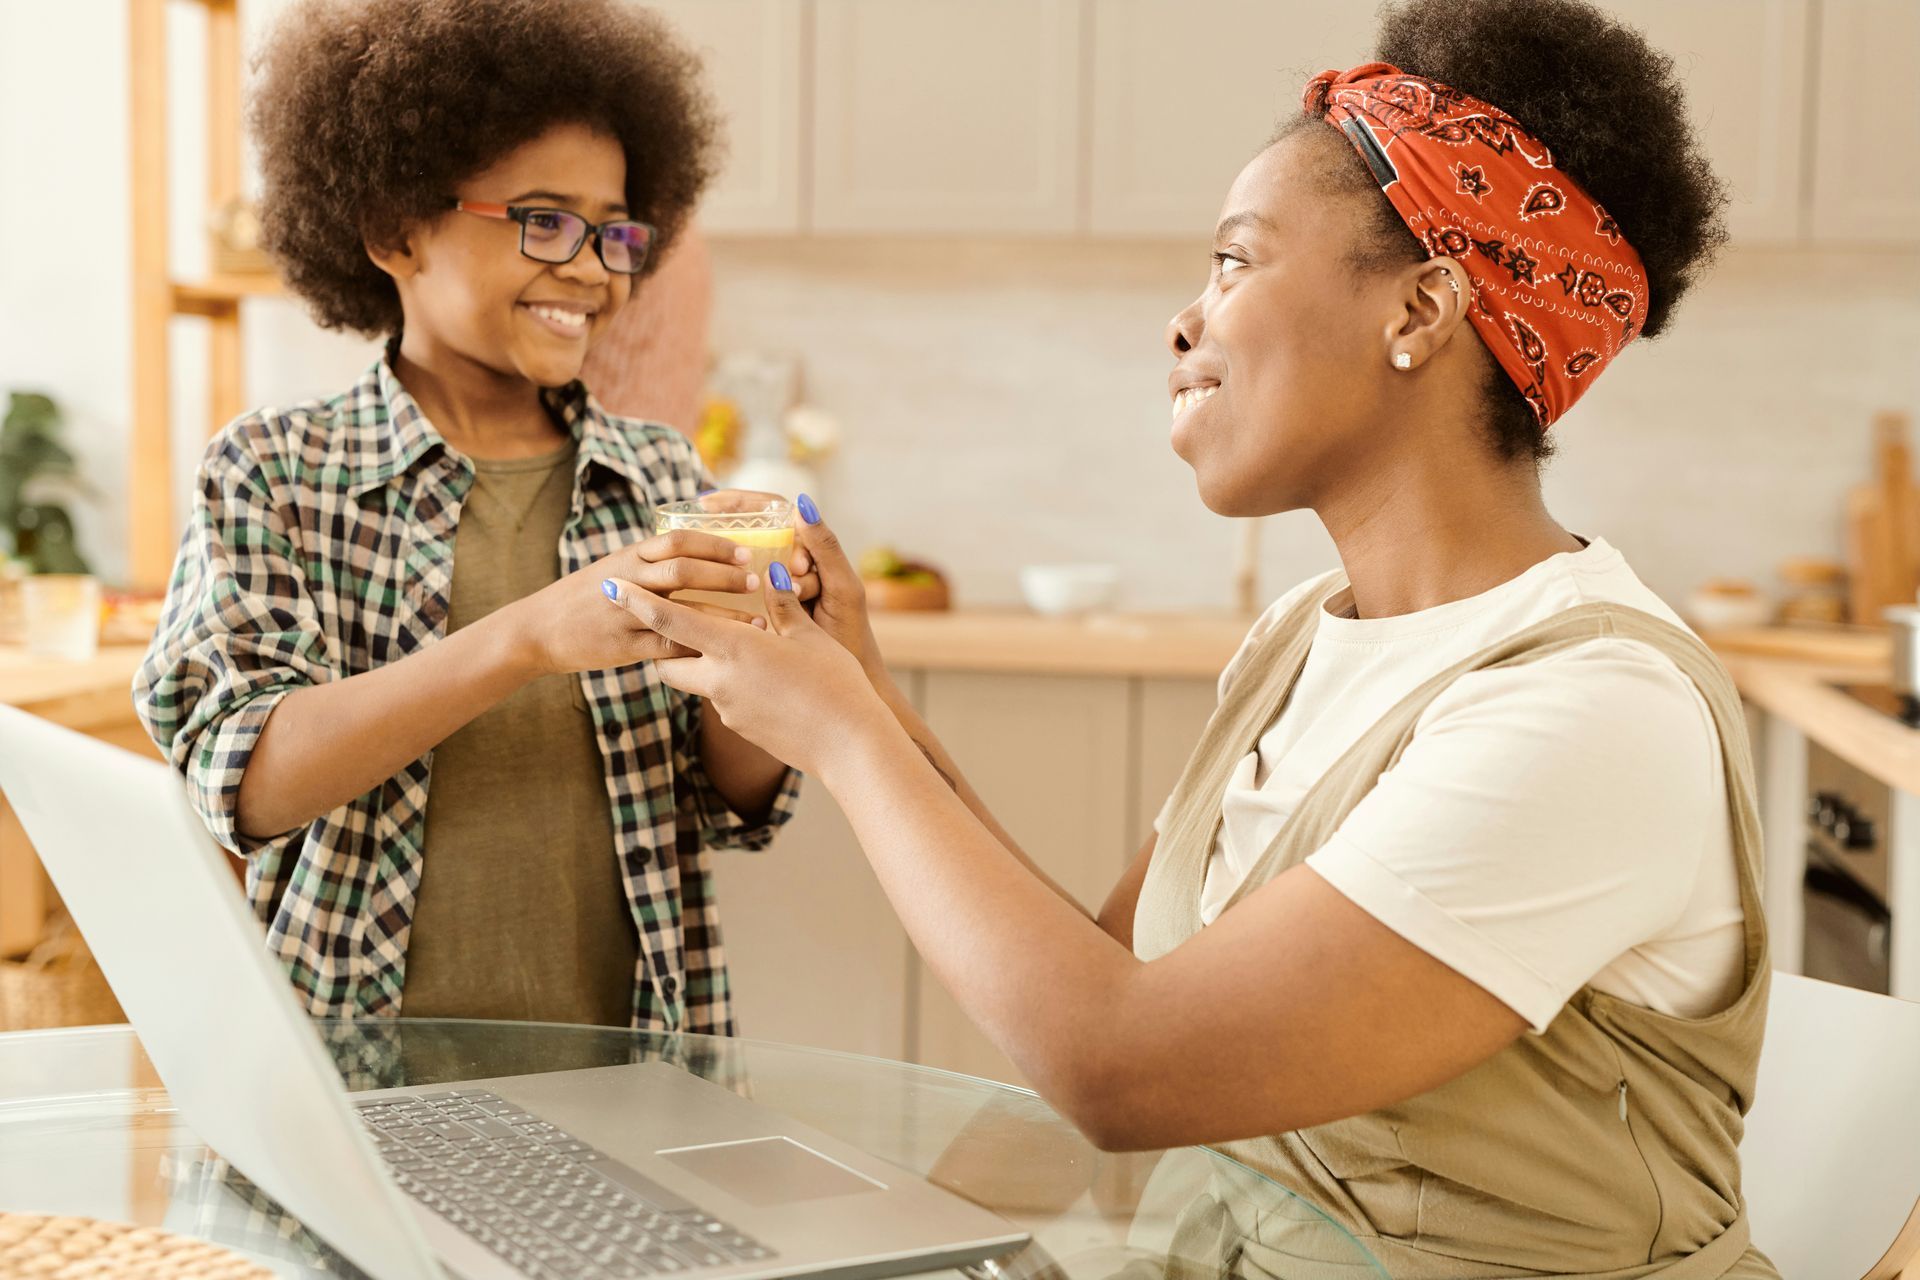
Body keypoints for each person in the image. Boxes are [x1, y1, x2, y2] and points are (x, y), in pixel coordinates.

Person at [606, 0, 1777, 1273]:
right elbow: (1110, 975)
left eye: (1234, 260)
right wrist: (865, 693)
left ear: (1424, 309)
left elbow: (1120, 1068)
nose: (1185, 320)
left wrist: (839, 736)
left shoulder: (1591, 711)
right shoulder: (1301, 638)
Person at [134, 0, 812, 1035]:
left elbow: (728, 799)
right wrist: (528, 635)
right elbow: (246, 780)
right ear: (394, 230)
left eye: (616, 231)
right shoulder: (276, 472)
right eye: (543, 220)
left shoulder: (657, 472)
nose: (590, 268)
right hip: (354, 1105)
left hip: (633, 1087)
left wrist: (774, 646)